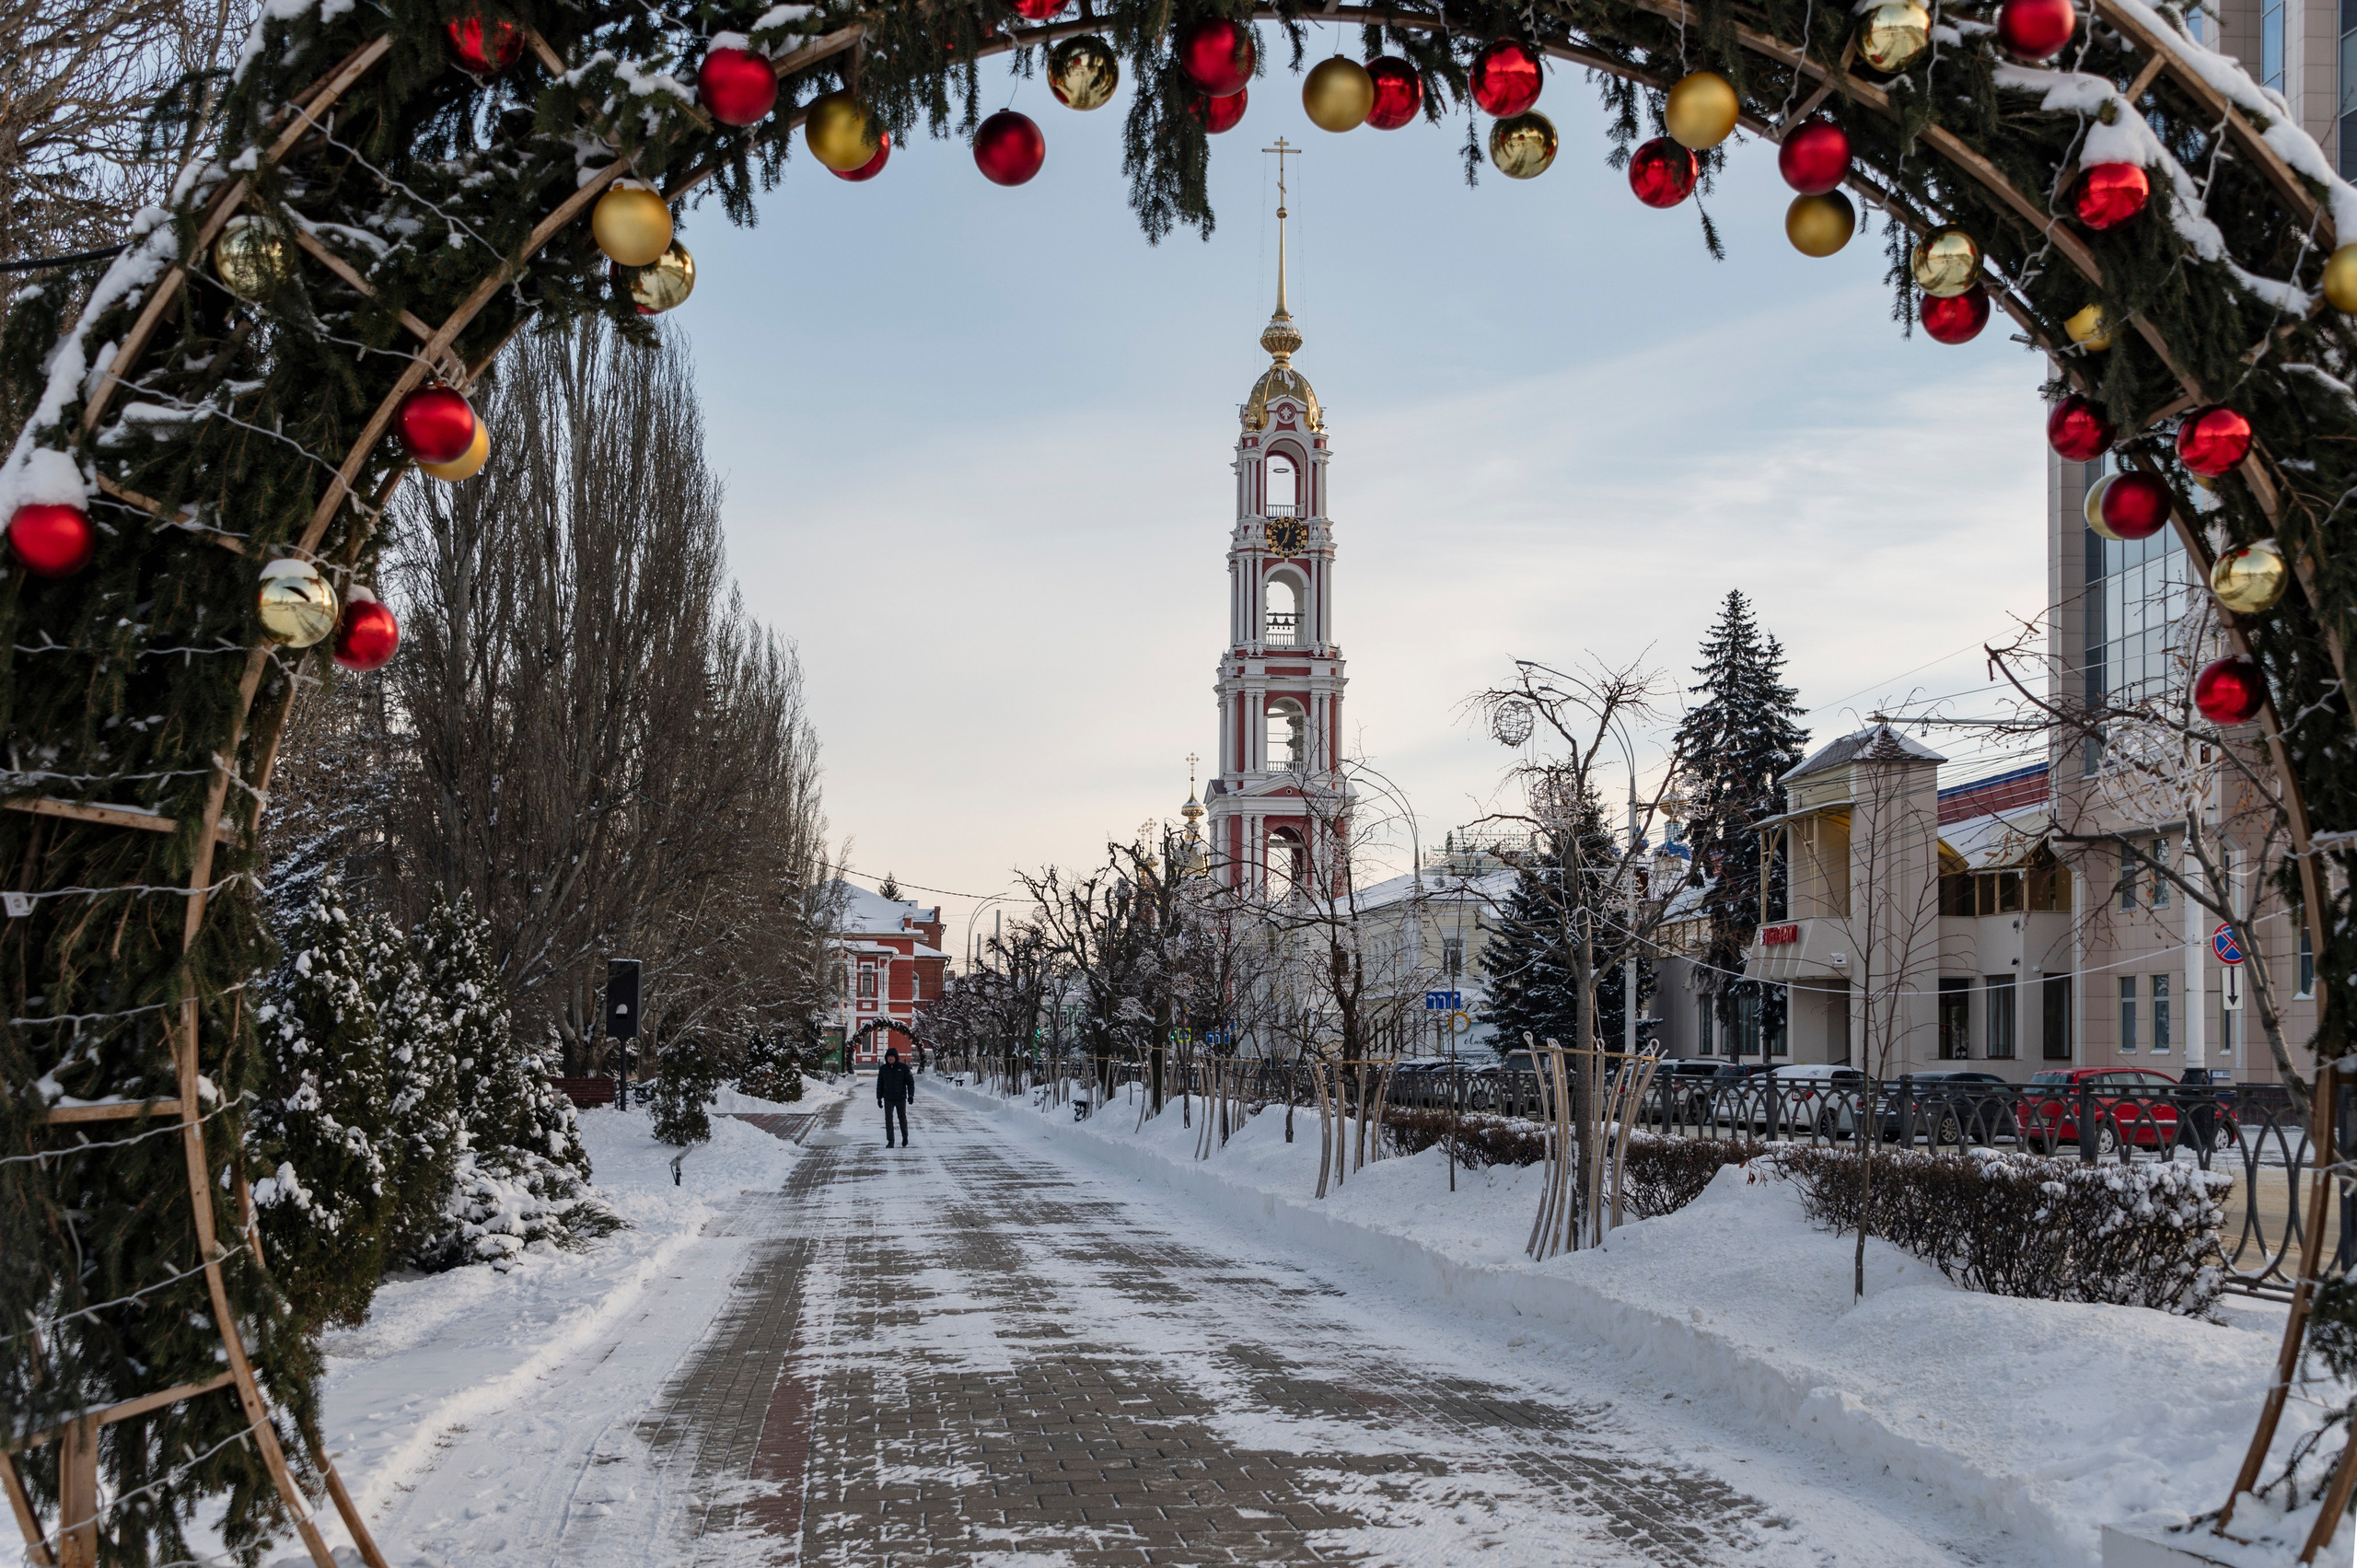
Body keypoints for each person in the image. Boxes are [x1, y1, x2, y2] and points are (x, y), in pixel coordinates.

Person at [877, 1046, 915, 1147]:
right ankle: (890, 1141)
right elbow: (880, 1084)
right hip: (888, 1098)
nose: (890, 1058)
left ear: (896, 1057)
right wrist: (879, 1098)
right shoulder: (883, 1069)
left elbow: (910, 1082)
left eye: (892, 1057)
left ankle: (905, 1136)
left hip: (900, 1098)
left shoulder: (903, 1068)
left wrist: (911, 1095)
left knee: (902, 1118)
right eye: (888, 1057)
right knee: (888, 1119)